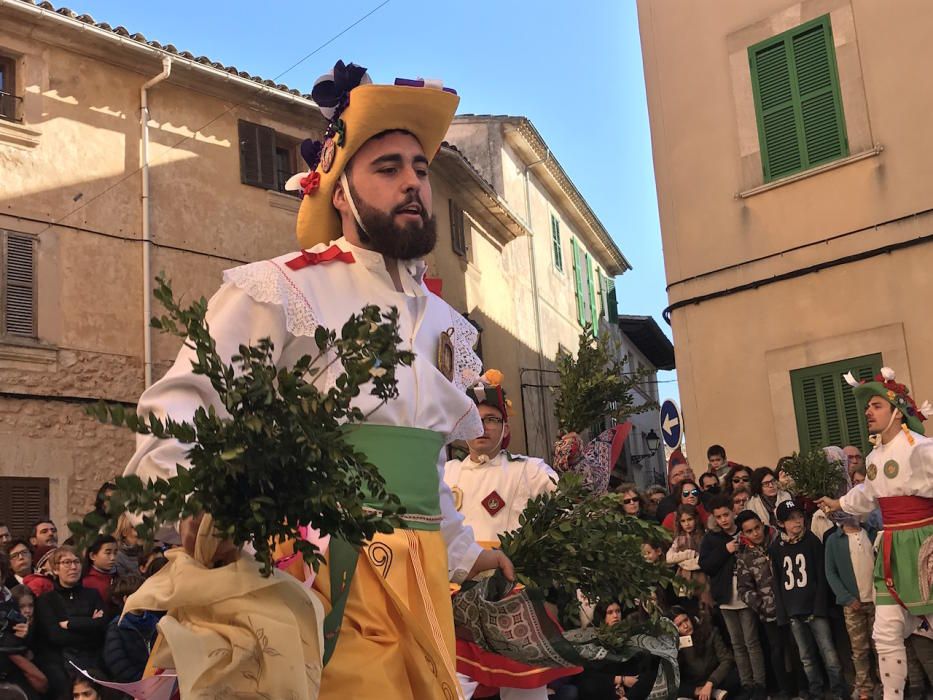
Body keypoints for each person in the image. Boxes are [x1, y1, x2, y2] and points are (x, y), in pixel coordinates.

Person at [120, 60, 511, 700]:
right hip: (314, 571)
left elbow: (426, 473)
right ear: (340, 193)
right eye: (387, 169)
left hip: (420, 581)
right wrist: (192, 501)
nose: (412, 183)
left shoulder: (447, 326)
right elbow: (184, 405)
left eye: (420, 169)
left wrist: (466, 553)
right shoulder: (282, 286)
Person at [443, 370, 570, 699]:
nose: (482, 427)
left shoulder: (528, 470)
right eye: (475, 418)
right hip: (456, 596)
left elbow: (569, 508)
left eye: (492, 420)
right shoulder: (447, 473)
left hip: (509, 595)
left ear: (506, 428)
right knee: (453, 686)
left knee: (524, 689)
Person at [819, 367, 933, 700]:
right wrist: (837, 501)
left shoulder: (921, 449)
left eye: (876, 405)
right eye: (867, 406)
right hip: (890, 549)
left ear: (897, 411)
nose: (868, 411)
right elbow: (867, 494)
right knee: (884, 633)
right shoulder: (874, 457)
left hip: (923, 546)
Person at [770, 500, 847, 700]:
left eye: (799, 516)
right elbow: (777, 582)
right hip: (793, 610)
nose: (797, 521)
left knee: (829, 654)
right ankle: (816, 692)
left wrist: (820, 607)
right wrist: (783, 613)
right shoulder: (776, 548)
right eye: (791, 519)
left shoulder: (812, 541)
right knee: (806, 658)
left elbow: (821, 577)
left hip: (815, 609)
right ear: (780, 524)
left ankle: (839, 692)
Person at [699, 496, 767, 699]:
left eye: (726, 515)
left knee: (751, 641)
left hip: (746, 596)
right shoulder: (711, 538)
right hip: (725, 597)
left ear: (733, 512)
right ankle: (746, 684)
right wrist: (725, 549)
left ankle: (760, 684)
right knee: (737, 643)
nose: (723, 520)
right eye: (718, 517)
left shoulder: (743, 531)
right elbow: (706, 565)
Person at [734, 510, 795, 700]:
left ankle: (802, 686)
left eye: (757, 528)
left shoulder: (780, 543)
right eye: (750, 531)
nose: (755, 533)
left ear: (763, 524)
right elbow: (744, 589)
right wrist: (762, 604)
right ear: (744, 534)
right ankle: (784, 690)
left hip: (792, 607)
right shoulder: (745, 557)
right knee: (777, 650)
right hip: (769, 613)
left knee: (796, 648)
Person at [34, 546, 109, 698]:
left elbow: (101, 626)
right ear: (55, 569)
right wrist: (89, 623)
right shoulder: (47, 600)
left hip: (93, 660)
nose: (73, 567)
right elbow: (56, 636)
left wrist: (70, 624)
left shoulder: (92, 595)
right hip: (62, 664)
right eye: (67, 562)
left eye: (76, 562)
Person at [824, 515, 878, 700]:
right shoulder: (834, 540)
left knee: (881, 646)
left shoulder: (870, 533)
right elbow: (830, 572)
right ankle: (864, 688)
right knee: (859, 649)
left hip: (877, 601)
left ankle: (886, 683)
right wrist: (846, 598)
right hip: (852, 604)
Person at [671, 606, 738, 700]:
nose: (685, 626)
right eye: (679, 625)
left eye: (686, 620)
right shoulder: (673, 645)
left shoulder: (709, 632)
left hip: (714, 679)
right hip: (693, 685)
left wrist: (710, 683)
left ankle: (712, 692)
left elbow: (726, 660)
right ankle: (706, 693)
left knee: (734, 678)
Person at [103, 575, 160, 683]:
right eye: (142, 595)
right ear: (126, 599)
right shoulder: (117, 627)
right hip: (135, 687)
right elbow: (117, 663)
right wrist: (142, 680)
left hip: (158, 683)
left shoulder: (156, 622)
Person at [666, 505, 711, 611]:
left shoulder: (705, 536)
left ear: (696, 519)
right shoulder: (679, 539)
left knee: (706, 611)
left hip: (703, 580)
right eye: (683, 521)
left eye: (690, 519)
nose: (687, 524)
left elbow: (703, 560)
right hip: (684, 581)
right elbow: (669, 558)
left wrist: (683, 562)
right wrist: (688, 554)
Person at [81, 537, 117, 614]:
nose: (113, 558)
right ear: (92, 556)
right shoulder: (86, 582)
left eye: (115, 553)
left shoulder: (115, 576)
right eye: (108, 553)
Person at [656, 459, 694, 525]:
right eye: (680, 473)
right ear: (671, 480)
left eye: (688, 472)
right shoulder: (666, 504)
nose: (686, 475)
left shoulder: (704, 497)